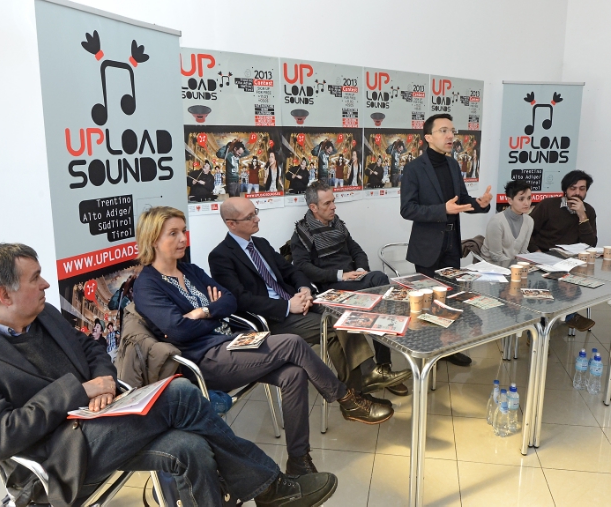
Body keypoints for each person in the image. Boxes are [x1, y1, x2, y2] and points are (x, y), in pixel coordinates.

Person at [0, 243, 337, 507]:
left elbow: (91, 347)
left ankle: (266, 489)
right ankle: (271, 487)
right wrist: (79, 391)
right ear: (4, 295)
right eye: (35, 278)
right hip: (57, 458)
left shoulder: (43, 314)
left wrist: (104, 384)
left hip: (100, 420)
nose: (45, 284)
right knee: (181, 394)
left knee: (191, 448)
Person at [132, 207, 393, 476]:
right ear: (153, 239)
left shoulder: (190, 271)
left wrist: (205, 311)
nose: (182, 239)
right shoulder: (147, 285)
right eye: (173, 233)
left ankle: (299, 461)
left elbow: (228, 300)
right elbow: (179, 331)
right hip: (203, 359)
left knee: (293, 374)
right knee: (292, 343)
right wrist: (213, 313)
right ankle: (347, 399)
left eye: (183, 231)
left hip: (230, 341)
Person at [209, 198, 410, 396]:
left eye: (256, 212)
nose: (257, 219)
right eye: (249, 216)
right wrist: (287, 306)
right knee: (335, 325)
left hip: (298, 301)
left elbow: (291, 270)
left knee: (344, 314)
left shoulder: (260, 244)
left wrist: (304, 289)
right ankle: (360, 384)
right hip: (273, 316)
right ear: (231, 223)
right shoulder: (221, 256)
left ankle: (356, 389)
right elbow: (241, 299)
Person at [291, 180, 411, 396]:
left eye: (333, 201)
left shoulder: (337, 224)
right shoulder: (302, 233)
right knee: (381, 286)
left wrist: (362, 269)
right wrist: (340, 274)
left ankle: (383, 367)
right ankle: (379, 370)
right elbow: (302, 267)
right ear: (313, 207)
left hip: (353, 280)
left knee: (380, 292)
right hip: (331, 287)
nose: (333, 207)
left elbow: (357, 251)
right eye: (327, 203)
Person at [399, 113, 492, 366]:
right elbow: (408, 209)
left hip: (452, 242)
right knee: (428, 301)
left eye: (452, 131)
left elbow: (461, 200)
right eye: (443, 131)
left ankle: (447, 348)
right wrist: (443, 210)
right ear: (428, 137)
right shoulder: (413, 168)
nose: (451, 135)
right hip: (427, 246)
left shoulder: (452, 165)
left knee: (450, 298)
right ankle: (427, 352)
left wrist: (480, 204)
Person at [527, 169, 597, 332]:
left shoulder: (588, 211)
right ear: (565, 189)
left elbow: (590, 244)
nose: (577, 193)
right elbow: (527, 232)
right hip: (543, 257)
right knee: (549, 282)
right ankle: (561, 319)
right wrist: (536, 252)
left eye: (582, 189)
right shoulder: (548, 205)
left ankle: (565, 315)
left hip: (570, 262)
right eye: (573, 188)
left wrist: (582, 215)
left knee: (573, 280)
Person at [481, 180, 535, 263]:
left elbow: (523, 252)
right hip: (492, 265)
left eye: (529, 198)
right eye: (521, 199)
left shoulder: (529, 221)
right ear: (510, 200)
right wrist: (516, 265)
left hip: (513, 265)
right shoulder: (497, 221)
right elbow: (496, 256)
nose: (527, 203)